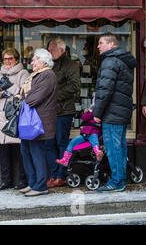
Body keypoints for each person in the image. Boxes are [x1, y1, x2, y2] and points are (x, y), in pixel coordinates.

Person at [93, 33, 136, 192]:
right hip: (121, 111)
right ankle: (121, 179)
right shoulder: (123, 60)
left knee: (113, 148)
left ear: (111, 45)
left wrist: (97, 112)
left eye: (101, 43)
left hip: (112, 112)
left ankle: (116, 182)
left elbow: (105, 90)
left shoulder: (110, 61)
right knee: (120, 146)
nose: (98, 46)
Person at [18, 48, 57, 197]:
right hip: (30, 121)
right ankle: (33, 183)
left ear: (42, 61)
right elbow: (23, 93)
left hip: (38, 122)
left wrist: (21, 99)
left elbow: (34, 98)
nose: (32, 62)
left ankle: (40, 186)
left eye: (34, 59)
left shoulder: (47, 75)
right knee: (26, 151)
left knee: (37, 153)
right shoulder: (37, 75)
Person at [0, 48, 28, 190]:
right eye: (5, 59)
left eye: (10, 59)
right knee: (3, 151)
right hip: (1, 116)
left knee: (19, 152)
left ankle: (23, 180)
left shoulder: (23, 73)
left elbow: (23, 91)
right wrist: (0, 90)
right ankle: (6, 181)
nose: (7, 62)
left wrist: (8, 87)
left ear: (16, 59)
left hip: (15, 116)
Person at [47, 38, 80, 188]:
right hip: (48, 111)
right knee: (48, 143)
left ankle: (61, 175)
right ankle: (53, 174)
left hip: (63, 110)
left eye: (52, 49)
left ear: (61, 50)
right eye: (48, 49)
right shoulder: (48, 64)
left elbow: (74, 86)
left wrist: (54, 95)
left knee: (61, 142)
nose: (49, 52)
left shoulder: (70, 65)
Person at [56, 99, 103, 166]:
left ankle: (98, 154)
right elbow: (84, 118)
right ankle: (65, 159)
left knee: (95, 143)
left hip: (93, 132)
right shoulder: (90, 112)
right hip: (85, 133)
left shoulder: (101, 114)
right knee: (72, 142)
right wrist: (90, 111)